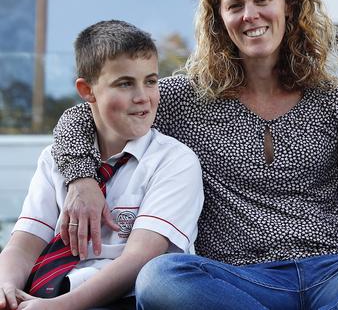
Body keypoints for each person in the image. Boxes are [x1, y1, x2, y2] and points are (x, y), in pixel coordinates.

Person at [50, 0, 338, 309]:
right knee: (161, 277)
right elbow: (84, 115)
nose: (250, 15)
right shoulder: (182, 98)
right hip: (237, 282)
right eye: (235, 5)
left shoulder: (336, 99)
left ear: (289, 6)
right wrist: (81, 177)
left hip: (337, 272)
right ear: (219, 18)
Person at [0, 20, 203, 310]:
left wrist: (61, 307)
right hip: (42, 294)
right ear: (87, 90)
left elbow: (140, 258)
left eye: (151, 81)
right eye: (124, 83)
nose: (142, 96)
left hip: (122, 298)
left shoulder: (173, 161)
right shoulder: (54, 159)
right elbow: (24, 244)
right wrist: (6, 286)